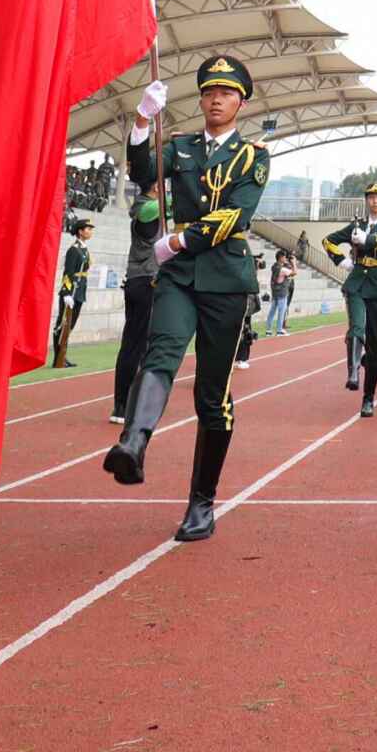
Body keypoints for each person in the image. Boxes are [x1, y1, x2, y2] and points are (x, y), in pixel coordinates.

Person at [104, 55, 272, 544]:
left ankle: (202, 501)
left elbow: (236, 216)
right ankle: (133, 442)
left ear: (241, 101)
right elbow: (140, 170)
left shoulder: (252, 157)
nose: (215, 99)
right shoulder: (177, 147)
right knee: (160, 353)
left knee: (212, 397)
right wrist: (140, 120)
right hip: (179, 278)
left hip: (224, 280)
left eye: (225, 92)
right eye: (208, 92)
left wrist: (178, 240)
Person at [328, 183, 377, 409]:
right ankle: (353, 372)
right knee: (357, 328)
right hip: (357, 281)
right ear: (367, 200)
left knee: (375, 345)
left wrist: (367, 239)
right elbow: (328, 240)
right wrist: (342, 261)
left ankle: (368, 398)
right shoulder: (356, 225)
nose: (375, 201)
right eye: (371, 197)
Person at [113, 176, 162, 424]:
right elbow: (158, 208)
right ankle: (127, 404)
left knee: (133, 343)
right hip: (146, 282)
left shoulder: (145, 211)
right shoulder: (147, 212)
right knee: (138, 346)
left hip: (137, 281)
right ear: (155, 186)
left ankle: (124, 404)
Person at [53, 217, 94, 370]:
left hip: (80, 291)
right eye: (88, 229)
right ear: (80, 232)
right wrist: (66, 293)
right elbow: (68, 273)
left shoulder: (83, 249)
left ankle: (62, 355)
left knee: (71, 324)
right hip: (72, 291)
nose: (90, 232)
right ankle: (58, 357)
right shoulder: (73, 250)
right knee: (62, 324)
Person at [266, 247, 298, 339]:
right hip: (282, 292)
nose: (285, 258)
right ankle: (279, 330)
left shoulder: (274, 266)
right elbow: (295, 272)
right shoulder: (283, 269)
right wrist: (294, 262)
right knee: (281, 311)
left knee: (272, 311)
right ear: (280, 257)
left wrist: (288, 262)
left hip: (275, 291)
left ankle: (268, 331)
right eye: (284, 257)